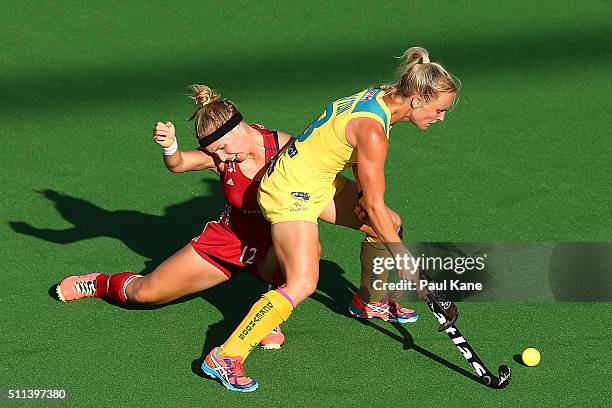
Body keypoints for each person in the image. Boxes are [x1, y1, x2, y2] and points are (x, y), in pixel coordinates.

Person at [202, 46, 460, 392]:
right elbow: (375, 205)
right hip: (289, 190)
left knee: (389, 226)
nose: (441, 117)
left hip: (314, 179)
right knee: (303, 281)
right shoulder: (372, 131)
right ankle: (226, 356)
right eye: (439, 110)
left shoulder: (380, 97)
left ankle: (370, 301)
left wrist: (366, 205)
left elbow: (368, 197)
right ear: (417, 100)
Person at [55, 85, 292, 351]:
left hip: (275, 241)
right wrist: (170, 147)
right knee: (145, 293)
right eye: (215, 152)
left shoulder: (283, 146)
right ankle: (99, 283)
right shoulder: (221, 157)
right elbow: (179, 164)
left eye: (223, 148)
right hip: (229, 240)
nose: (222, 158)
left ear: (237, 127)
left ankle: (270, 314)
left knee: (302, 246)